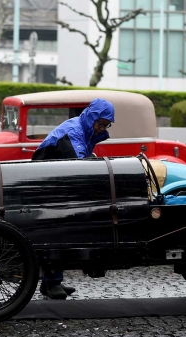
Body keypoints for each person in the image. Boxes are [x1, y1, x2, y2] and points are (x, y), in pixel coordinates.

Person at [32, 98, 115, 299]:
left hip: (52, 181)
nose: (102, 128)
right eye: (101, 123)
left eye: (106, 125)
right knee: (59, 231)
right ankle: (51, 283)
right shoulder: (74, 132)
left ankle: (52, 282)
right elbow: (80, 166)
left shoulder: (83, 129)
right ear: (92, 117)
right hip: (45, 185)